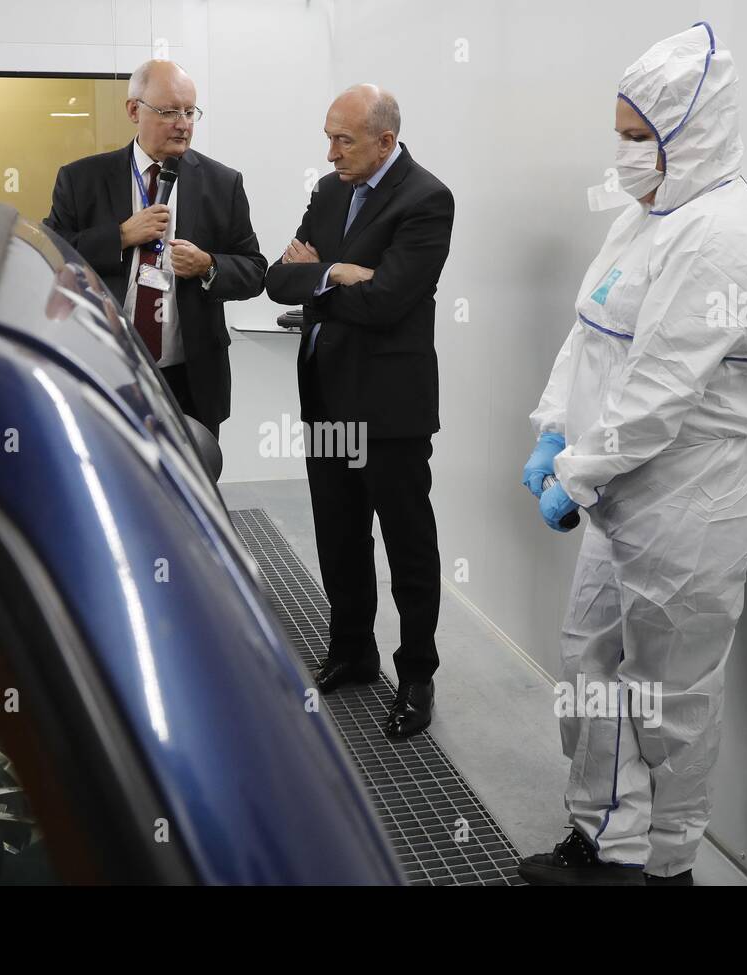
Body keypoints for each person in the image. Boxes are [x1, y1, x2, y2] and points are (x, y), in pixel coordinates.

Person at [517, 22, 747, 885]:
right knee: (589, 661)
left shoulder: (724, 237)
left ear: (691, 132)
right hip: (622, 490)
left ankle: (667, 864)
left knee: (671, 696)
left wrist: (575, 472)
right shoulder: (648, 216)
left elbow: (658, 394)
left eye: (641, 137)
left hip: (696, 497)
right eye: (623, 136)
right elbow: (591, 331)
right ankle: (605, 840)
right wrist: (554, 424)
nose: (627, 155)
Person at [265, 85, 454, 739]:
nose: (331, 151)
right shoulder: (328, 191)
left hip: (390, 409)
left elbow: (390, 303)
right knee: (337, 533)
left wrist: (325, 274)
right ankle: (353, 649)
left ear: (385, 140)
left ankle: (417, 676)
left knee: (408, 548)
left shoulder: (426, 200)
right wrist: (339, 274)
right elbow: (276, 279)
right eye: (328, 136)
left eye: (343, 139)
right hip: (325, 394)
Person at [43, 60, 266, 439]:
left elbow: (254, 270)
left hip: (189, 378)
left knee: (191, 488)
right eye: (168, 111)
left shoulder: (222, 183)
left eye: (189, 111)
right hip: (107, 370)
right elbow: (49, 255)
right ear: (134, 110)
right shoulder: (82, 179)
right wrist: (119, 237)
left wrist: (208, 266)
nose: (183, 123)